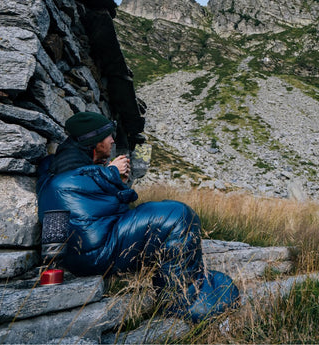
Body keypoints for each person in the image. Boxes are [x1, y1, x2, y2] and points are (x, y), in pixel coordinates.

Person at [36, 112, 238, 322]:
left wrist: (115, 179)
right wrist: (111, 174)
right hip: (96, 251)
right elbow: (66, 188)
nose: (113, 140)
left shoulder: (74, 164)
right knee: (176, 216)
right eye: (108, 136)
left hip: (96, 244)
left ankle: (184, 285)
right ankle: (185, 303)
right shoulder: (66, 172)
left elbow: (99, 206)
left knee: (162, 214)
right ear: (94, 142)